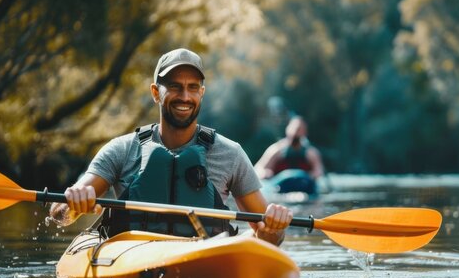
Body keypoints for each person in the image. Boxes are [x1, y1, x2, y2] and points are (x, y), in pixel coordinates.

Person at [49, 48, 292, 245]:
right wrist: (73, 204)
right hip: (133, 260)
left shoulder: (230, 154)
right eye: (175, 86)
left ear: (202, 93)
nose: (185, 96)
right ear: (156, 92)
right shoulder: (121, 150)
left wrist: (274, 226)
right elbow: (59, 214)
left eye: (193, 87)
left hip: (205, 264)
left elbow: (269, 237)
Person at [254, 116, 324, 181]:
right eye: (295, 128)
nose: (296, 131)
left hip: (304, 188)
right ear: (287, 129)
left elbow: (319, 171)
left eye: (299, 129)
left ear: (305, 132)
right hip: (279, 188)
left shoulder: (311, 153)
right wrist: (265, 173)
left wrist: (313, 175)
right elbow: (258, 169)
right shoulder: (276, 150)